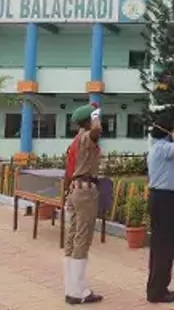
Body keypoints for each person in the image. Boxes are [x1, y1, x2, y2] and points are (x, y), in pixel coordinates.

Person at [145, 114, 174, 304]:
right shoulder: (163, 148)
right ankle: (157, 291)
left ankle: (158, 287)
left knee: (160, 245)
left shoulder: (159, 147)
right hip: (164, 199)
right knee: (164, 246)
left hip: (161, 198)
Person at [63, 102, 104, 305]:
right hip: (85, 192)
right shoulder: (87, 137)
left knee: (72, 239)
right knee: (82, 239)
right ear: (89, 121)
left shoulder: (76, 140)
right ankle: (78, 292)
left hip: (75, 190)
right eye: (94, 118)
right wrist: (96, 113)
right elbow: (96, 130)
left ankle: (72, 288)